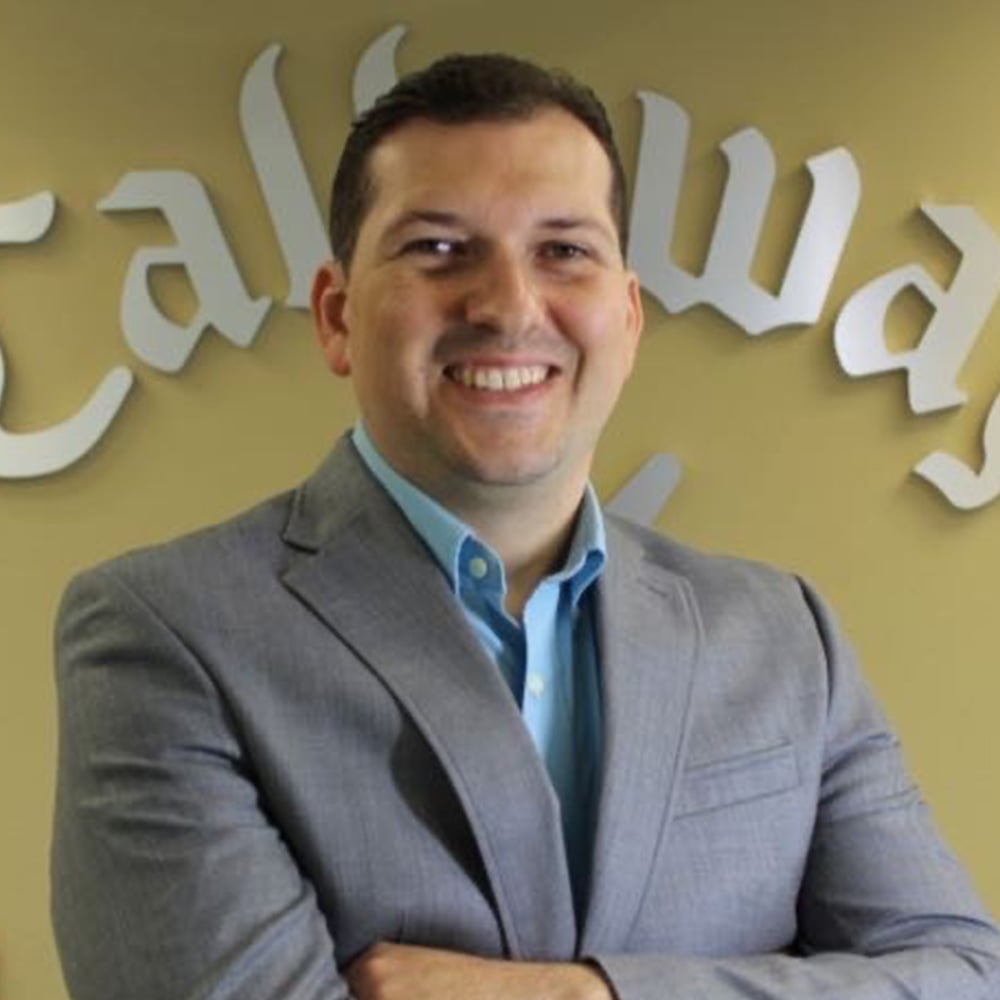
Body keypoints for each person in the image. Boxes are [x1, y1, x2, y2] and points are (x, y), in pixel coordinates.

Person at [51, 53, 999, 1000]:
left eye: (564, 251)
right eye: (437, 248)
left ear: (628, 318)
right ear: (337, 318)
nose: (507, 306)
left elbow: (965, 976)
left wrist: (586, 994)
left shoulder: (786, 636)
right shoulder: (163, 632)